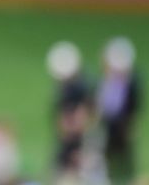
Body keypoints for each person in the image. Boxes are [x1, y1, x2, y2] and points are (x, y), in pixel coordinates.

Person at [45, 41, 94, 183]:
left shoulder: (79, 89)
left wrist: (70, 127)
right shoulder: (70, 87)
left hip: (75, 144)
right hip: (69, 142)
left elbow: (80, 118)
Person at [96, 36, 141, 185]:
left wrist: (131, 124)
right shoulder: (108, 80)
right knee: (105, 156)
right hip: (108, 123)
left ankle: (127, 179)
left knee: (123, 157)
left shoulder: (129, 83)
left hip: (121, 124)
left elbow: (133, 106)